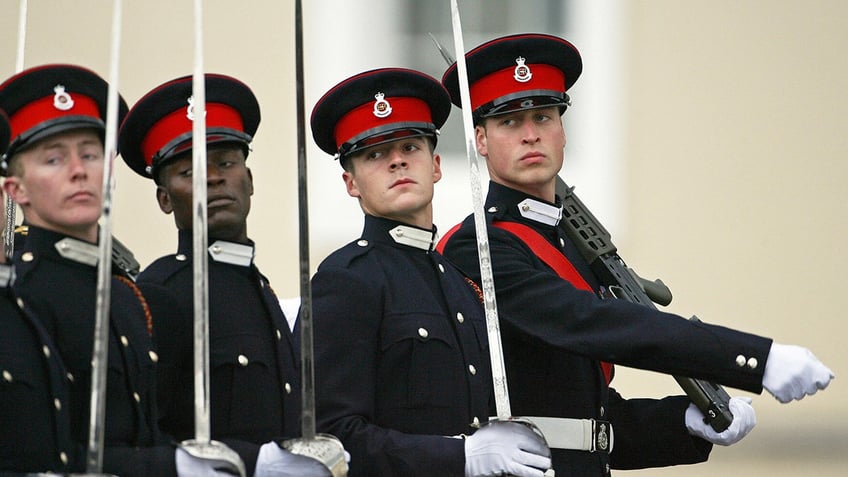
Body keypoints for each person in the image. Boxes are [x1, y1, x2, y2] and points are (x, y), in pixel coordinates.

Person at [437, 33, 834, 477]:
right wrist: (752, 359)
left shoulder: (565, 242)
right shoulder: (479, 247)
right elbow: (592, 322)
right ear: (481, 140)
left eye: (543, 116)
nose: (531, 135)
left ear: (562, 130)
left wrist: (684, 421)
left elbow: (588, 425)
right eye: (510, 122)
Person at [309, 67, 553, 477]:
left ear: (436, 165)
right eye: (375, 154)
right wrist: (460, 457)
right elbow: (331, 437)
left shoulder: (459, 279)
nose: (398, 160)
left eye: (410, 147)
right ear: (351, 182)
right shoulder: (346, 279)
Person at [0, 64, 215, 475]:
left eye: (91, 154)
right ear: (17, 189)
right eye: (53, 159)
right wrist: (175, 465)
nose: (78, 170)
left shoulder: (127, 293)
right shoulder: (24, 294)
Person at [118, 73, 333, 476]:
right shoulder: (161, 294)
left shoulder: (259, 287)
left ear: (249, 181)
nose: (213, 177)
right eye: (188, 171)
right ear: (165, 199)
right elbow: (145, 438)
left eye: (227, 163)